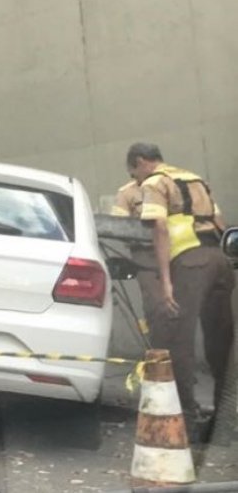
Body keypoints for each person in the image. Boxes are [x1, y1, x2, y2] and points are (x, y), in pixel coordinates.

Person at [126, 142, 235, 432]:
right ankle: (227, 415)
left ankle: (184, 417)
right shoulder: (194, 178)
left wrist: (166, 281)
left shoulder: (155, 183)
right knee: (221, 342)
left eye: (134, 174)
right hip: (219, 260)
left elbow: (159, 229)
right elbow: (219, 221)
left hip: (190, 264)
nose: (136, 182)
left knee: (178, 340)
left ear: (140, 163)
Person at [110, 179, 160, 341]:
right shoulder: (127, 192)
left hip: (176, 250)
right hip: (144, 253)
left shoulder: (169, 184)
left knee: (181, 301)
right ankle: (158, 348)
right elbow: (118, 226)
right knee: (154, 303)